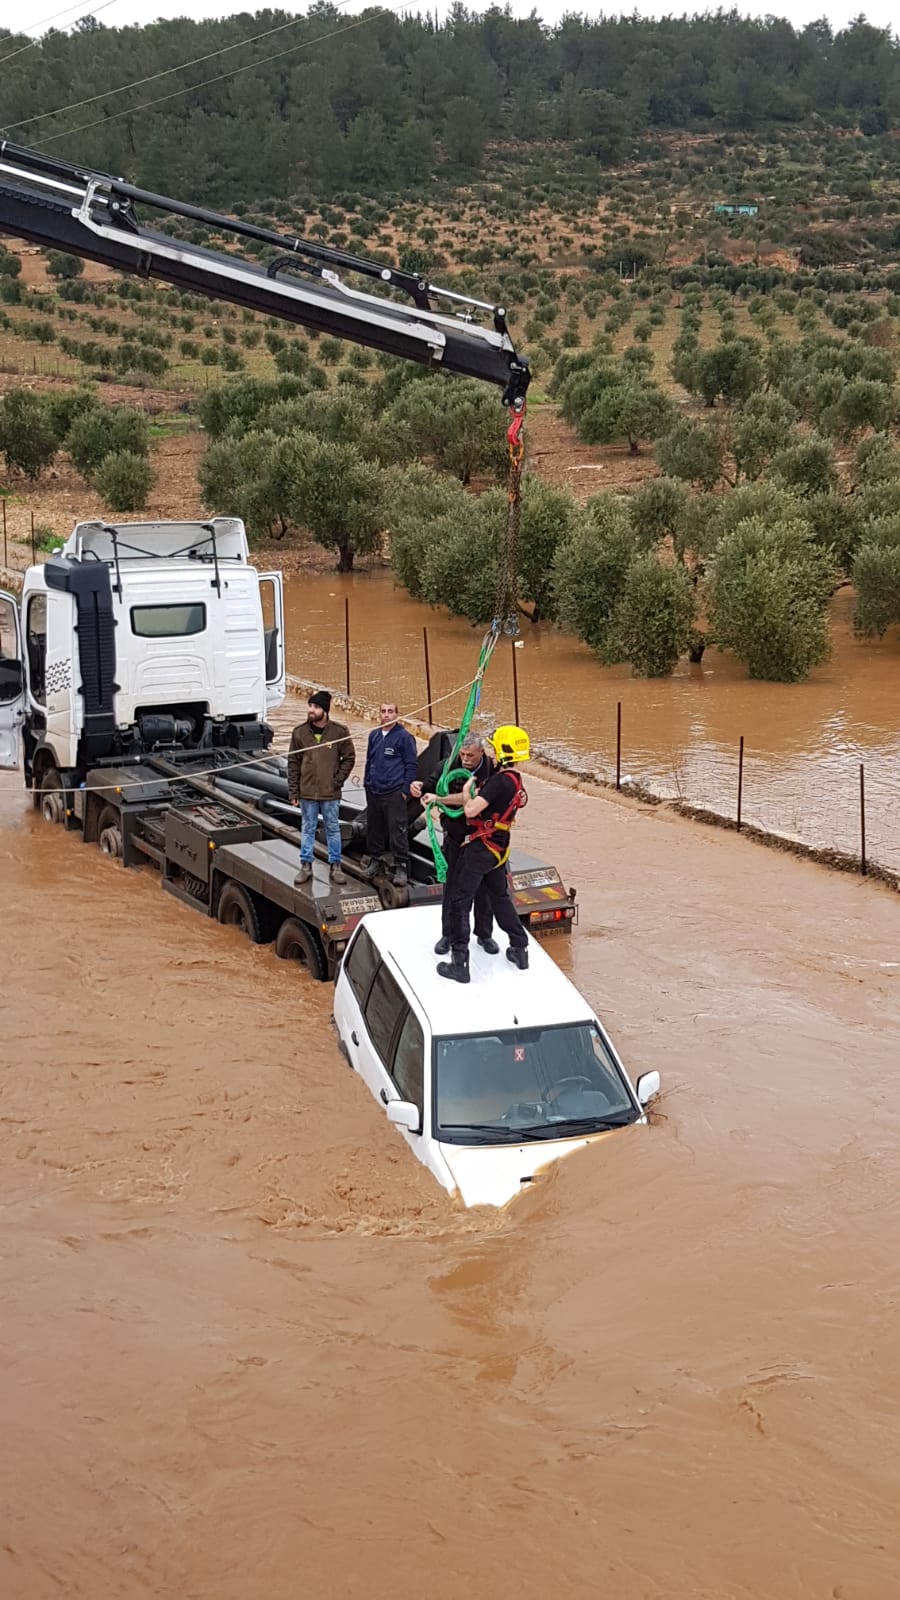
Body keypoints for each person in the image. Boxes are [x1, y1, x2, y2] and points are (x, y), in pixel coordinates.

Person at [435, 724, 531, 984]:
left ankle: (459, 962)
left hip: (480, 847)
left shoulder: (498, 780)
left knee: (459, 901)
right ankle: (519, 948)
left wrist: (466, 794)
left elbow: (471, 810)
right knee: (500, 897)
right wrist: (437, 798)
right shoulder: (515, 780)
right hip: (499, 846)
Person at [426, 732, 497, 958]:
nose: (465, 759)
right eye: (463, 754)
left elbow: (482, 799)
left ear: (481, 753)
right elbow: (432, 785)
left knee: (485, 888)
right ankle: (448, 934)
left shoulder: (493, 772)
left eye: (471, 756)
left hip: (482, 839)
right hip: (455, 837)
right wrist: (421, 788)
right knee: (452, 887)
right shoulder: (449, 766)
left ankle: (484, 934)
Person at [287, 690, 355, 888]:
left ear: (324, 710)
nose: (311, 710)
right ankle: (306, 866)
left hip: (330, 793)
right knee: (307, 828)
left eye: (315, 707)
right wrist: (293, 791)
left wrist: (337, 781)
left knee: (333, 829)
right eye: (310, 706)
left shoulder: (339, 732)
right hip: (307, 792)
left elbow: (349, 758)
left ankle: (335, 866)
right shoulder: (299, 733)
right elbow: (293, 763)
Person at [364, 700, 418, 888]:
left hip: (394, 792)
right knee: (374, 828)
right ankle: (376, 860)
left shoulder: (404, 737)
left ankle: (401, 866)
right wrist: (367, 783)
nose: (386, 715)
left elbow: (412, 765)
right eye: (383, 711)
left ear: (397, 714)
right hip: (374, 791)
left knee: (398, 830)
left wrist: (404, 791)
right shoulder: (374, 735)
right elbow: (369, 760)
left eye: (390, 711)